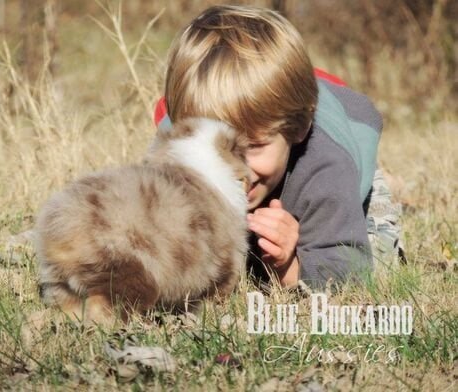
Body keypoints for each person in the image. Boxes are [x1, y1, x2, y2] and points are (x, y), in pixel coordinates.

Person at [154, 5, 402, 291]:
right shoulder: (175, 151)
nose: (233, 171)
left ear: (297, 128)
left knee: (378, 260)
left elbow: (349, 272)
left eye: (254, 147)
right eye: (214, 150)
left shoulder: (326, 169)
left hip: (344, 162)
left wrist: (289, 265)